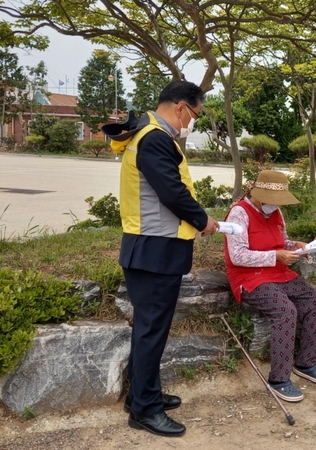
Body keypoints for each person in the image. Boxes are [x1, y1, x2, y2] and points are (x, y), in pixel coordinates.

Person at [102, 79, 219, 437]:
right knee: (152, 331)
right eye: (195, 113)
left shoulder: (149, 135)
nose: (193, 120)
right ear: (182, 106)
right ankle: (145, 410)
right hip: (154, 250)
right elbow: (172, 191)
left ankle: (141, 393)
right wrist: (203, 220)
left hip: (153, 248)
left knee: (148, 329)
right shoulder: (154, 138)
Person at [223, 170, 316, 402]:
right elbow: (237, 255)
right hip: (249, 278)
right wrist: (276, 256)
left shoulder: (276, 211)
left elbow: (281, 242)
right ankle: (279, 378)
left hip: (279, 272)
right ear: (259, 195)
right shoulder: (239, 213)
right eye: (273, 201)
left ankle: (305, 363)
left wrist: (297, 246)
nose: (276, 205)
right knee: (285, 311)